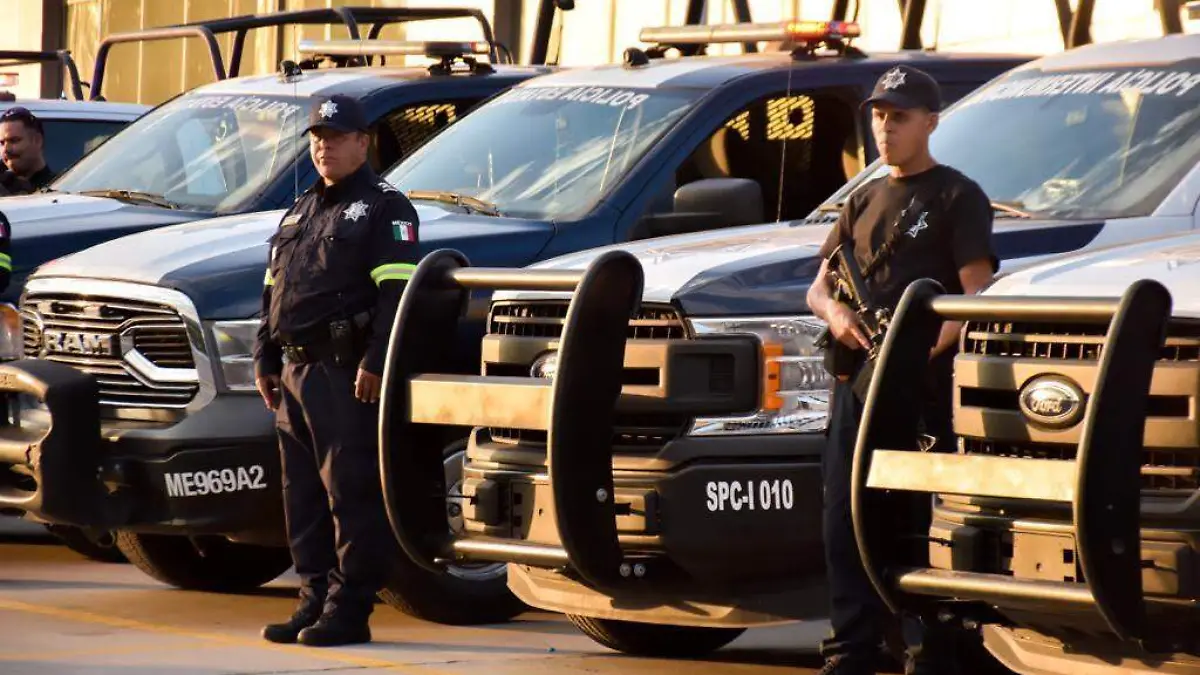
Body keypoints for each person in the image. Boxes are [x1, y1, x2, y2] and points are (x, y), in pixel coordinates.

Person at [805, 65, 997, 675]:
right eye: (879, 116)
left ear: (931, 123)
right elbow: (819, 286)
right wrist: (836, 314)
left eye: (900, 117)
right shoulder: (861, 197)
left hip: (918, 386)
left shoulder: (956, 195)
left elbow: (973, 298)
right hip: (855, 380)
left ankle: (931, 645)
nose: (885, 128)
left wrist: (912, 354)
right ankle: (854, 647)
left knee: (916, 518)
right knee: (844, 515)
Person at [253, 94, 420, 647]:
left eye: (336, 135)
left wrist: (375, 361)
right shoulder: (302, 205)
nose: (324, 145)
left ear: (362, 142)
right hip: (295, 374)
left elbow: (397, 295)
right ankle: (313, 602)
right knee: (301, 498)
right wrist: (264, 355)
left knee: (349, 495)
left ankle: (349, 611)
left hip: (345, 372)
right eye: (317, 136)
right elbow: (274, 287)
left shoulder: (385, 207)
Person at [0, 107, 54, 192]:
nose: (6, 149)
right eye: (2, 143)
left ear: (37, 141)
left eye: (14, 140)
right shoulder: (3, 186)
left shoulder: (59, 188)